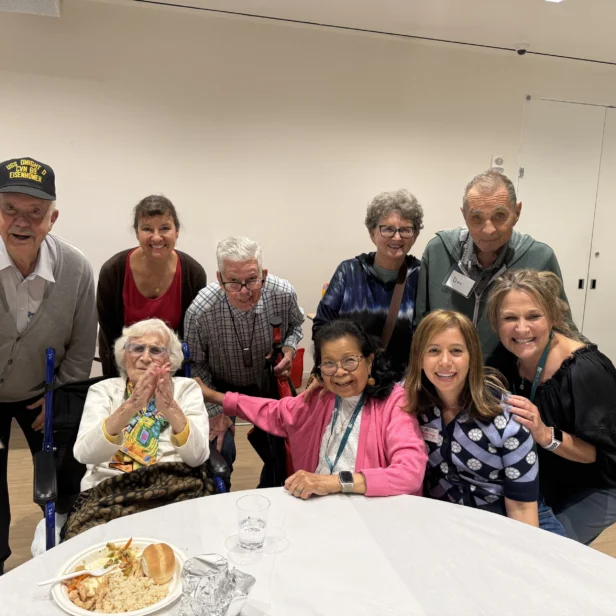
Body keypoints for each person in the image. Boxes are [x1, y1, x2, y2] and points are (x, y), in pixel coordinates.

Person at [198, 319, 427, 498]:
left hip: (369, 517)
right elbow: (273, 411)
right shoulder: (322, 398)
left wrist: (332, 482)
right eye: (329, 363)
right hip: (317, 510)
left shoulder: (393, 403)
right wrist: (214, 396)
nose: (339, 372)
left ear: (369, 361)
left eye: (350, 361)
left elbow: (410, 474)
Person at [0, 157, 96, 574]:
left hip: (42, 392)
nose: (21, 222)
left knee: (64, 475)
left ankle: (65, 558)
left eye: (35, 213)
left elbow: (81, 343)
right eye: (9, 210)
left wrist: (58, 393)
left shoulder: (75, 268)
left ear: (52, 218)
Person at [486, 269, 616, 544]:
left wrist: (545, 434)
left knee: (546, 550)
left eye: (533, 316)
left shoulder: (585, 370)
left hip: (594, 483)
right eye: (510, 318)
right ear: (496, 323)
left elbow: (600, 456)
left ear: (553, 317)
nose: (522, 329)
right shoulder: (507, 355)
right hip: (542, 474)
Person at [406, 309, 565, 534]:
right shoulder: (411, 404)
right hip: (450, 520)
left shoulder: (508, 418)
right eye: (433, 351)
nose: (444, 362)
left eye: (456, 351)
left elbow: (521, 507)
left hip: (511, 519)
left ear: (472, 357)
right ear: (419, 358)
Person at [66, 318, 210, 539]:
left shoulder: (186, 389)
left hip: (174, 485)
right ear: (124, 356)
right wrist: (131, 406)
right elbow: (85, 454)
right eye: (137, 348)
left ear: (169, 360)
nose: (144, 357)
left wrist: (171, 408)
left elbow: (197, 456)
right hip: (110, 488)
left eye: (155, 350)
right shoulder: (103, 391)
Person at [415, 170, 570, 358]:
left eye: (499, 216)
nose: (488, 230)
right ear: (464, 215)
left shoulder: (539, 258)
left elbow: (562, 327)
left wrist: (587, 363)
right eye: (476, 218)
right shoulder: (438, 251)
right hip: (446, 375)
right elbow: (421, 323)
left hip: (509, 380)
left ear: (517, 212)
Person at [186, 236, 304, 478]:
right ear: (219, 278)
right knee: (219, 448)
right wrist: (214, 412)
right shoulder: (200, 311)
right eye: (233, 282)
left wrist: (289, 350)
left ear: (264, 273)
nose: (243, 292)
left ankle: (272, 492)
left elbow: (296, 326)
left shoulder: (282, 293)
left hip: (266, 382)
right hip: (218, 387)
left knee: (285, 448)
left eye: (252, 280)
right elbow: (196, 365)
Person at [313, 189, 423, 381]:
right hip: (349, 381)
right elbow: (322, 327)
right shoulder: (349, 272)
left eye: (405, 229)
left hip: (401, 389)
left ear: (415, 235)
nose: (397, 237)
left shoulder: (421, 276)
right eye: (388, 229)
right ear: (372, 233)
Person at [97, 195, 206, 376]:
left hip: (171, 370)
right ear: (137, 232)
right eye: (147, 229)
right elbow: (110, 335)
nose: (156, 238)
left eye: (164, 228)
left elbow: (190, 337)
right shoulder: (112, 271)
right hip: (123, 370)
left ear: (176, 231)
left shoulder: (193, 274)